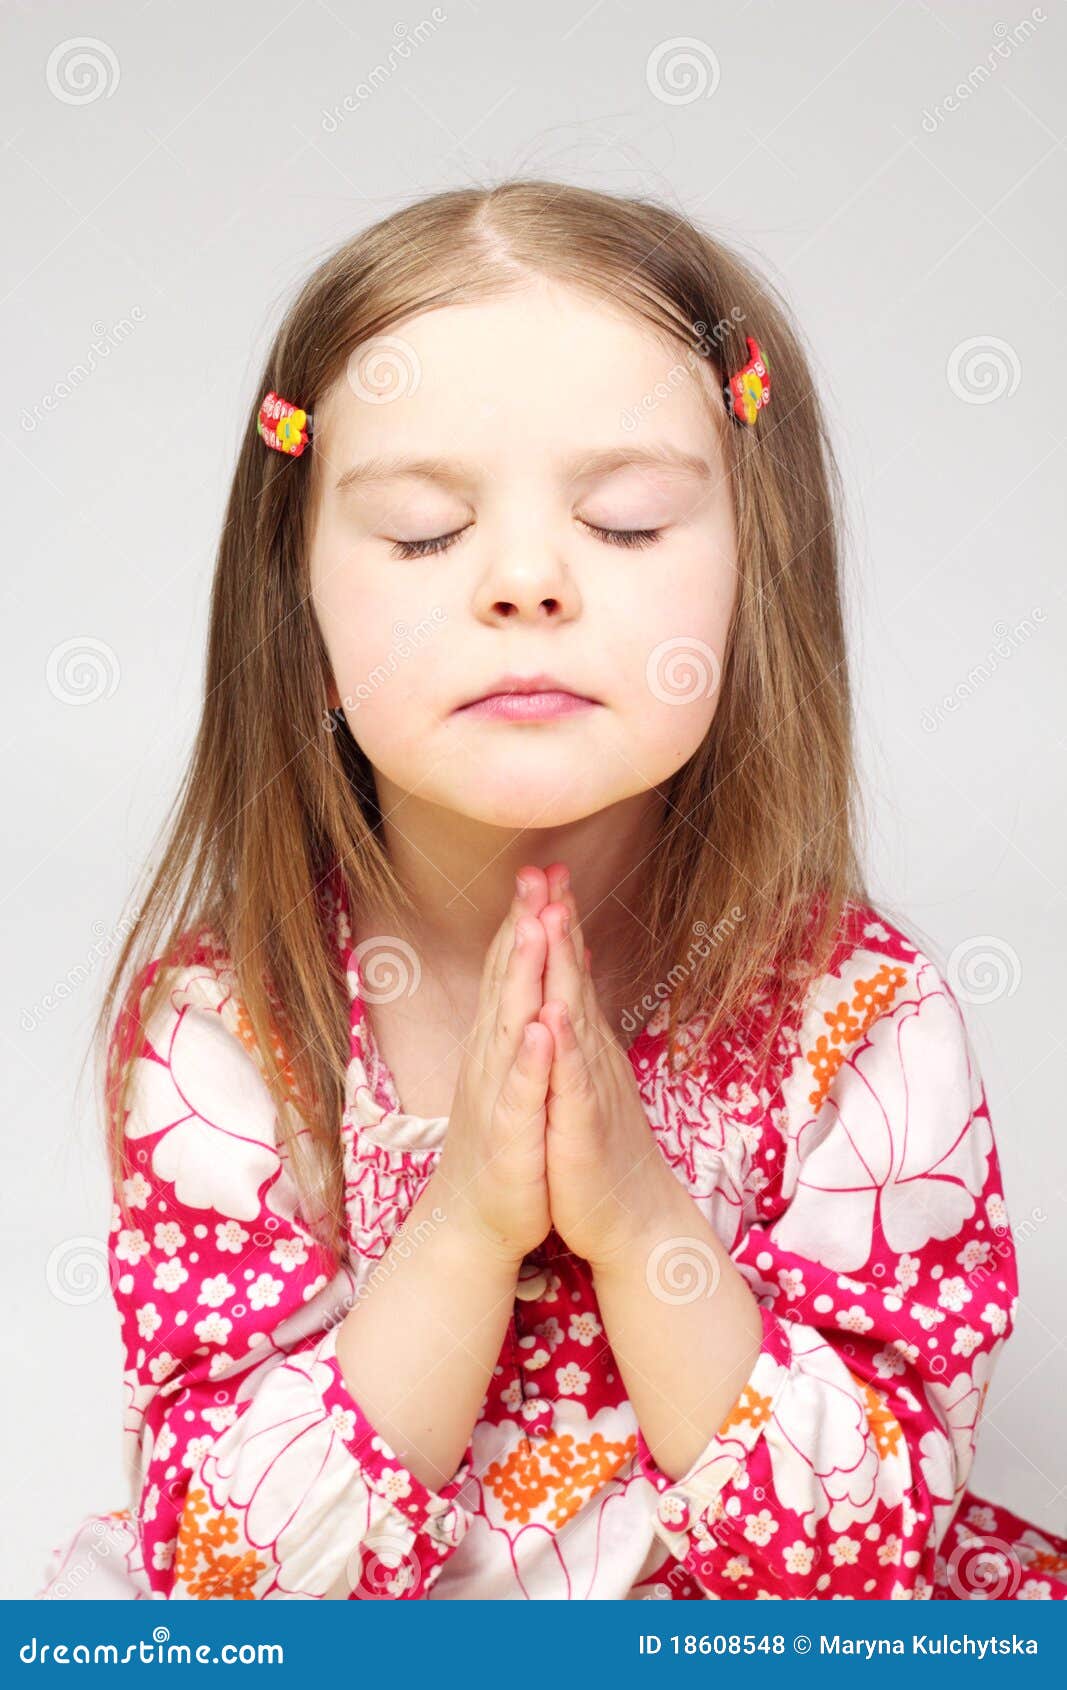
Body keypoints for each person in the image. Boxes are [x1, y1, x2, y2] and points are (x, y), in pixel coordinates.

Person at [38, 180, 1067, 1601]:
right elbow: (233, 1576)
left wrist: (640, 1221)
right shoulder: (228, 1027)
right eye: (422, 531)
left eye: (627, 523)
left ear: (752, 577)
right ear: (299, 605)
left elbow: (865, 1555)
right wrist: (466, 1222)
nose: (525, 582)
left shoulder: (861, 1017)